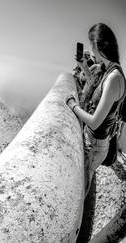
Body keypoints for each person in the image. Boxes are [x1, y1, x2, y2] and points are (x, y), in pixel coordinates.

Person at [65, 23, 126, 194]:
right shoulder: (108, 70)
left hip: (96, 144)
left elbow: (95, 122)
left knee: (82, 188)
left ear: (99, 45)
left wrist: (73, 105)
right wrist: (84, 66)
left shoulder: (115, 78)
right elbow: (94, 85)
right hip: (93, 142)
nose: (91, 50)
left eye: (92, 45)